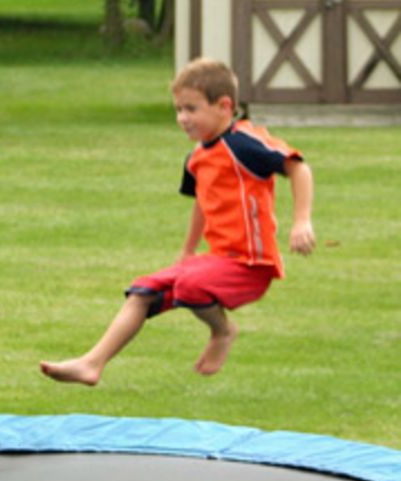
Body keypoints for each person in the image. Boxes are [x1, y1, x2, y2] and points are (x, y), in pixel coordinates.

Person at [40, 58, 316, 385]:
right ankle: (91, 363)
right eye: (178, 110)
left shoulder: (245, 143)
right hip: (216, 261)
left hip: (251, 265)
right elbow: (203, 201)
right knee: (142, 290)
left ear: (224, 106)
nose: (182, 118)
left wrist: (302, 221)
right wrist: (188, 250)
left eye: (191, 109)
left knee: (190, 285)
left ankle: (222, 331)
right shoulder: (197, 157)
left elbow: (298, 167)